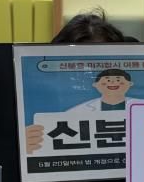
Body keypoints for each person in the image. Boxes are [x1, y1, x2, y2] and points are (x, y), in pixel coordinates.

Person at [25, 9, 132, 154]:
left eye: (101, 66)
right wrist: (23, 148)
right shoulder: (36, 102)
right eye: (77, 69)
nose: (89, 75)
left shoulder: (142, 108)